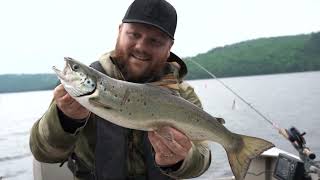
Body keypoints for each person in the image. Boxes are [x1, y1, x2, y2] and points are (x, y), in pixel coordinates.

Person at [30, 0, 211, 179]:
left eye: (154, 41)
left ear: (169, 47)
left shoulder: (184, 96)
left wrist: (182, 160)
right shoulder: (74, 91)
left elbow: (203, 157)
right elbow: (43, 153)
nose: (141, 47)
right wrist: (65, 119)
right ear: (119, 31)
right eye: (133, 35)